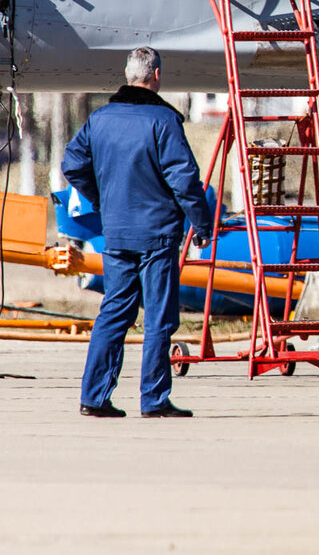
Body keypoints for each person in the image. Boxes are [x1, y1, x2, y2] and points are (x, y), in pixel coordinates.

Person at [63, 46, 213, 418]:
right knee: (160, 318)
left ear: (128, 75)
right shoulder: (163, 121)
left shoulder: (100, 119)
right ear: (156, 76)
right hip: (157, 234)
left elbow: (72, 164)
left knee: (114, 312)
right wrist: (203, 223)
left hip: (116, 232)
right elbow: (184, 180)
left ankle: (94, 397)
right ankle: (154, 399)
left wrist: (101, 199)